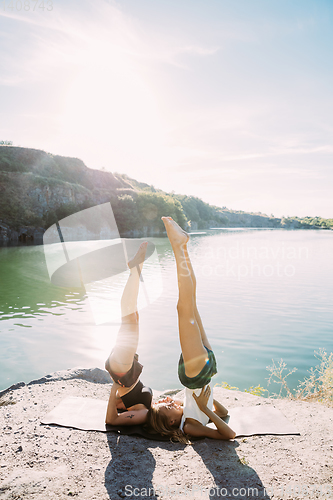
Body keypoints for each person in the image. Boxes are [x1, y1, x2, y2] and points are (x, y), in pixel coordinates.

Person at [146, 217, 236, 441]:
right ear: (171, 422)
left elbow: (223, 414)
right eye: (165, 407)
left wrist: (206, 403)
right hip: (196, 376)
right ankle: (178, 246)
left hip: (206, 370)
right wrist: (205, 408)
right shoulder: (189, 427)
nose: (165, 401)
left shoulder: (186, 411)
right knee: (184, 307)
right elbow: (229, 432)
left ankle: (183, 246)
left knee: (190, 304)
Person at [105, 241, 154, 426]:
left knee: (128, 317)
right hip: (127, 366)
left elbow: (111, 420)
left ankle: (135, 268)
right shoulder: (153, 408)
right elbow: (121, 405)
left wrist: (113, 391)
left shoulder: (144, 414)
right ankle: (136, 267)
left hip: (123, 373)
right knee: (133, 315)